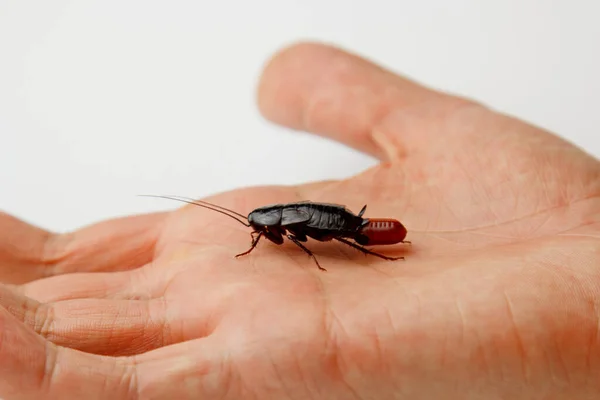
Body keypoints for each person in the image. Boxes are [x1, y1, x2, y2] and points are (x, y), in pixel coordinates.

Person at [1, 41, 599, 400]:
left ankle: (368, 245)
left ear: (270, 227)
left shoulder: (286, 230)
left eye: (260, 233)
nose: (261, 237)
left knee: (339, 234)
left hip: (350, 226)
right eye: (261, 233)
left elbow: (310, 232)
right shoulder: (277, 225)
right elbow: (302, 229)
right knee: (338, 232)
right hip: (346, 223)